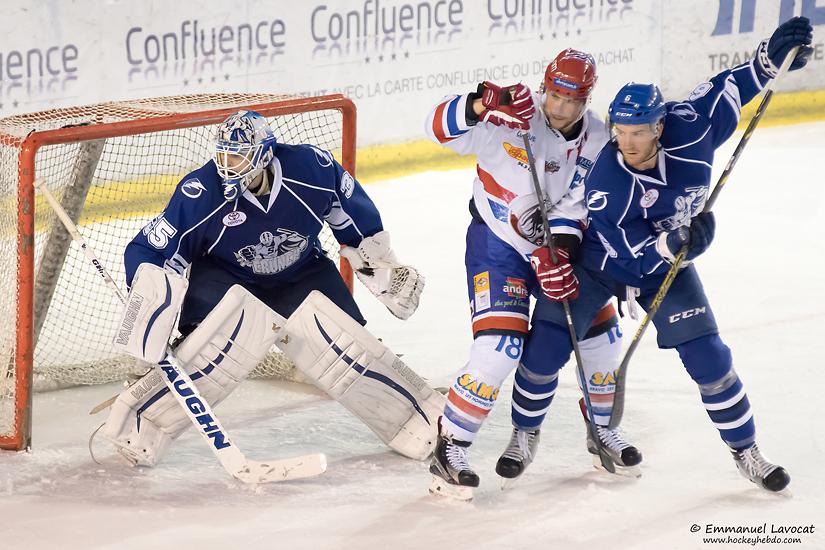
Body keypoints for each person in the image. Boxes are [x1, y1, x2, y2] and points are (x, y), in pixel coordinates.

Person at [526, 17, 813, 492]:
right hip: (603, 259)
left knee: (710, 357)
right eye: (620, 130)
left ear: (660, 125)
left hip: (669, 263)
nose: (627, 142)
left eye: (640, 131)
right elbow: (629, 253)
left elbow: (731, 86)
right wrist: (677, 242)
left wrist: (770, 59)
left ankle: (747, 451)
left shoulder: (694, 127)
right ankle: (523, 433)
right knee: (548, 345)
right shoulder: (606, 181)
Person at [100, 110, 426, 466]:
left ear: (265, 155)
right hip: (226, 281)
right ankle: (141, 428)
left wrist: (384, 268)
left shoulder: (311, 170)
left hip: (301, 274)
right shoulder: (201, 193)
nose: (228, 164)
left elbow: (353, 222)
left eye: (238, 155)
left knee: (351, 351)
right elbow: (151, 250)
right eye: (224, 154)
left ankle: (413, 422)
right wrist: (151, 305)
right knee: (206, 358)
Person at [424, 49, 641, 499]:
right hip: (498, 246)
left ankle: (601, 430)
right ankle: (451, 446)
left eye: (572, 99)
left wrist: (559, 251)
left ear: (587, 97)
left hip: (561, 248)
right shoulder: (512, 116)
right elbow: (436, 128)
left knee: (602, 343)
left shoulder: (600, 138)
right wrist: (482, 103)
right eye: (554, 95)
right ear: (544, 87)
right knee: (500, 348)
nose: (559, 107)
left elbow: (585, 204)